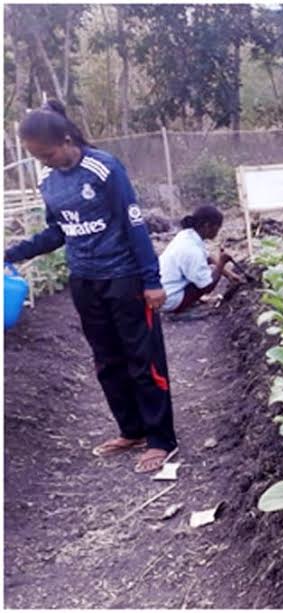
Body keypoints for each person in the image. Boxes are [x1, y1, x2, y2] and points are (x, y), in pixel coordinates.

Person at [4, 100, 177, 474]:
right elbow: (57, 231)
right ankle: (131, 430)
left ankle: (161, 438)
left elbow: (134, 224)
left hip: (124, 278)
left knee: (142, 359)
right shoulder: (48, 181)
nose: (45, 162)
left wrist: (151, 280)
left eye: (47, 153)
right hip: (84, 281)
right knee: (107, 360)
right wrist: (11, 252)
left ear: (67, 140)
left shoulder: (103, 168)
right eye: (38, 157)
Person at [158, 205, 245, 314]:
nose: (218, 232)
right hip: (169, 299)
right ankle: (178, 310)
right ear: (207, 226)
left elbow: (208, 257)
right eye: (217, 227)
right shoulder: (191, 249)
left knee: (200, 273)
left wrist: (229, 274)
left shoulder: (188, 235)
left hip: (163, 290)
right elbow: (207, 286)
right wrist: (221, 263)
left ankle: (185, 301)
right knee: (203, 281)